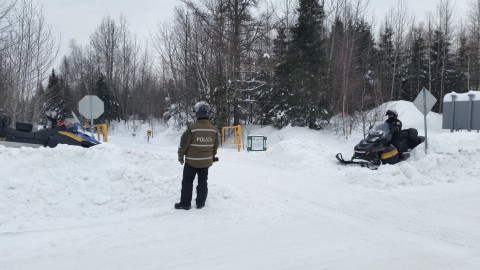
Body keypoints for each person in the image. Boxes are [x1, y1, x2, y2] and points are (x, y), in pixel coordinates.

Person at [175, 101, 219, 210]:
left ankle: (185, 204)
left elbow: (184, 143)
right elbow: (215, 146)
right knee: (203, 182)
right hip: (205, 163)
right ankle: (200, 203)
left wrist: (181, 156)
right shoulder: (213, 129)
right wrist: (212, 157)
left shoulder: (192, 128)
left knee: (187, 182)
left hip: (191, 162)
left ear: (197, 113)